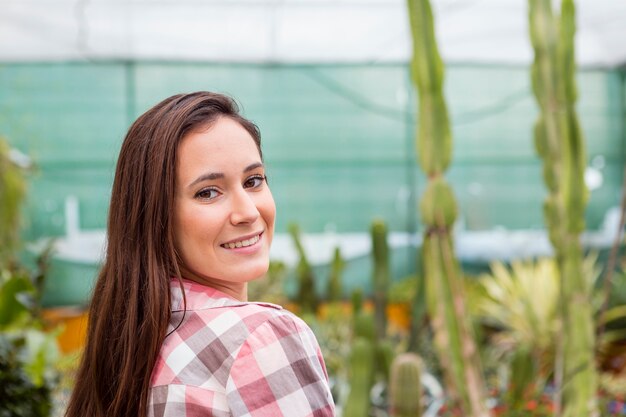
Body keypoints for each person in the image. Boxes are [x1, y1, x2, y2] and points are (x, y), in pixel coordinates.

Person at [64, 92, 336, 417]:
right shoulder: (259, 339)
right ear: (156, 218)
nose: (247, 212)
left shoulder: (130, 346)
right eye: (208, 192)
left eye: (253, 181)